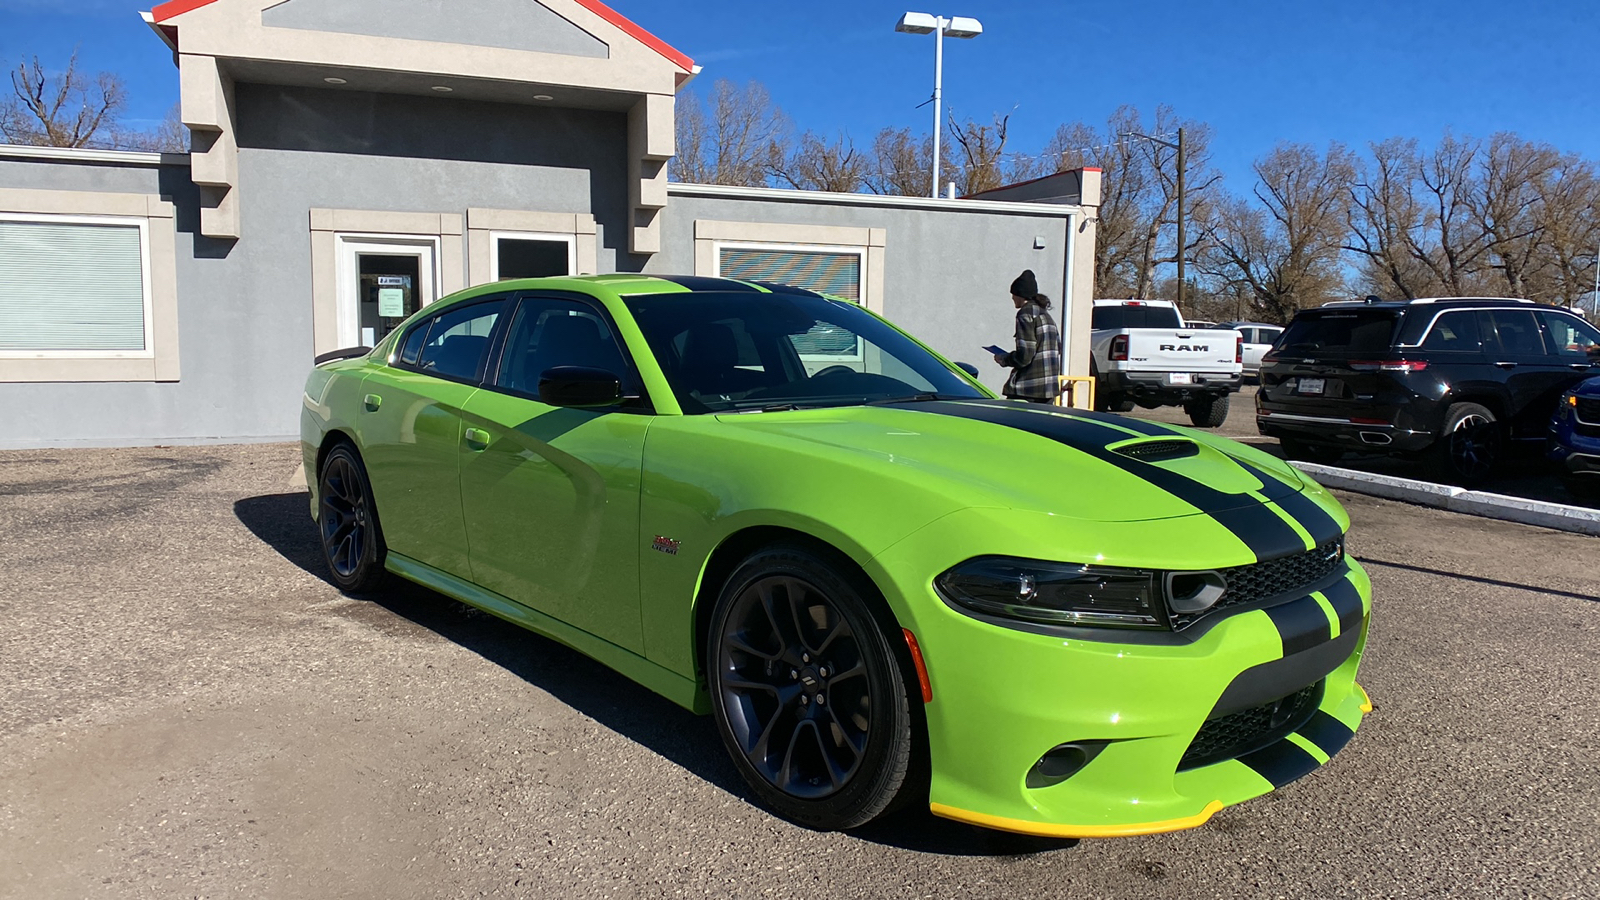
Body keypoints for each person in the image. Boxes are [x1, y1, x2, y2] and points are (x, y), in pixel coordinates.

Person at [993, 269, 1062, 403]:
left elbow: (1025, 356)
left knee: (1012, 423)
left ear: (1020, 295)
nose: (1012, 297)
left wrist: (1004, 359)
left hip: (1028, 388)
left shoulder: (1025, 314)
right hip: (1048, 389)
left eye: (1013, 294)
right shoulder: (1045, 315)